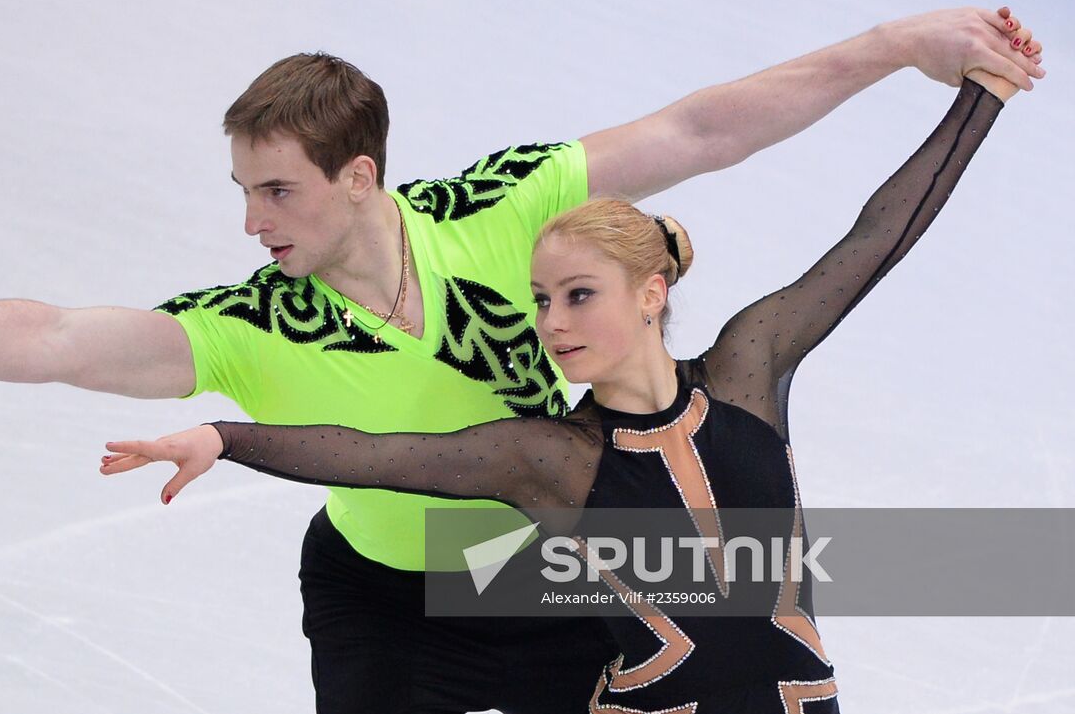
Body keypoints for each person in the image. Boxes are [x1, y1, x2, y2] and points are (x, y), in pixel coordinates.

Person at [0, 9, 1042, 714]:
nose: (248, 222)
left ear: (356, 178)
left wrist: (896, 49)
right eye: (240, 189)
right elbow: (43, 336)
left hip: (539, 575)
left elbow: (702, 127)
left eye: (273, 193)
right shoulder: (251, 324)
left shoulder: (497, 207)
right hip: (382, 605)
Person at [101, 67, 1017, 712]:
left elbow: (875, 239)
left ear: (650, 293)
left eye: (579, 296)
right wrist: (227, 435)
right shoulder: (551, 453)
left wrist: (984, 96)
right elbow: (370, 454)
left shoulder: (749, 371)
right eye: (540, 301)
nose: (553, 322)